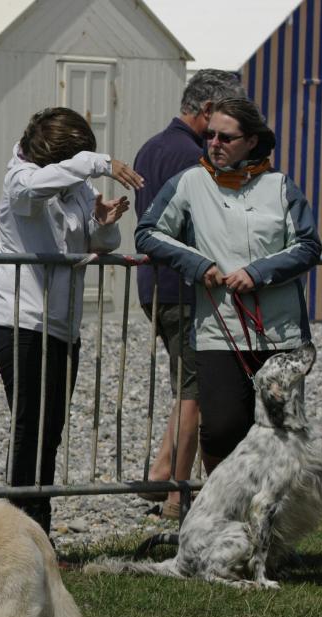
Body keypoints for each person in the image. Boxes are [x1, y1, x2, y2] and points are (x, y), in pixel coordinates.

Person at [136, 97, 321, 475]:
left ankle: (274, 523)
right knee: (220, 431)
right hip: (218, 333)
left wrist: (258, 272)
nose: (215, 143)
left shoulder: (282, 186)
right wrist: (197, 263)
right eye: (211, 135)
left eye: (226, 137)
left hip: (280, 334)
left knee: (282, 434)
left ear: (252, 141)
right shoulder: (190, 181)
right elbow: (148, 233)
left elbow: (308, 246)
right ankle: (226, 510)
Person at [0, 107, 144, 536]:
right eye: (78, 161)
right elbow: (40, 188)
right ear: (57, 157)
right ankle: (22, 535)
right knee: (30, 427)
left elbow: (90, 243)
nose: (86, 172)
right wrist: (100, 163)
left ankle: (39, 534)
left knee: (50, 431)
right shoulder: (19, 182)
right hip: (20, 322)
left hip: (62, 325)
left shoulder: (74, 183)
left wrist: (103, 223)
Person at [133, 70, 247, 519]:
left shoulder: (152, 147)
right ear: (206, 112)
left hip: (155, 286)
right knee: (197, 390)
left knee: (187, 384)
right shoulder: (193, 157)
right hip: (186, 286)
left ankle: (162, 474)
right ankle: (178, 497)